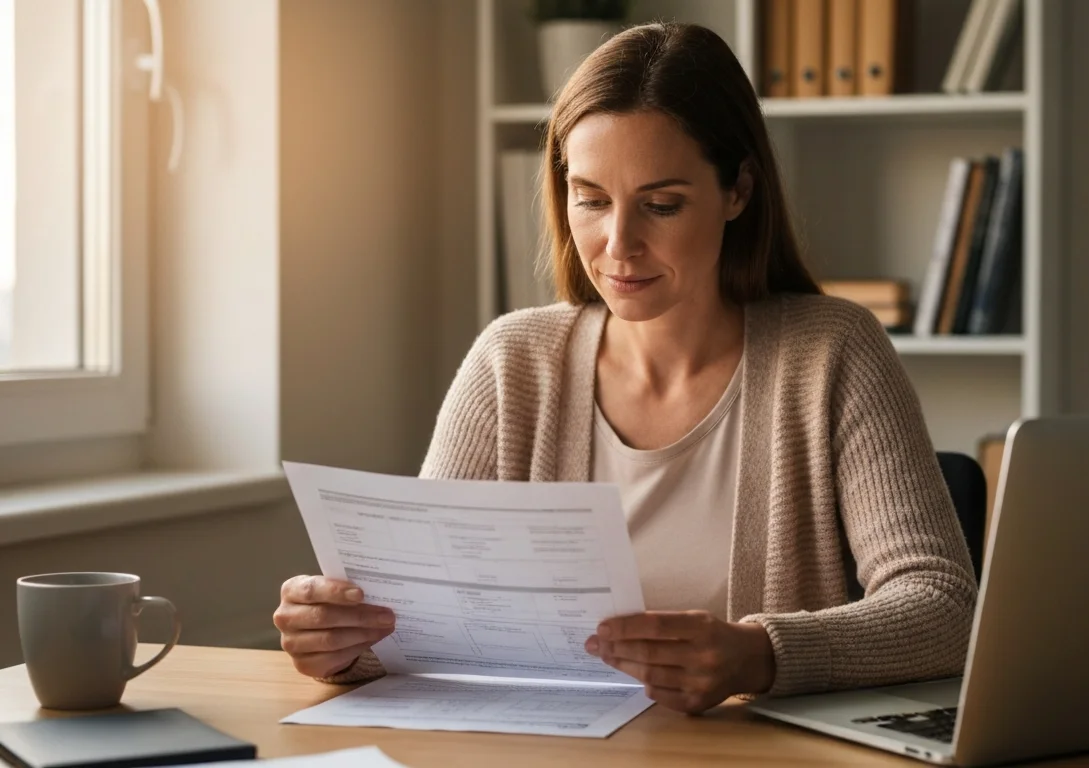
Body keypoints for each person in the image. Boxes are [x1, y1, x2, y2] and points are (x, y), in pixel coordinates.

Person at [273, 21, 976, 715]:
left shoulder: (832, 353)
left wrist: (755, 655)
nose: (618, 244)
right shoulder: (511, 363)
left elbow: (942, 609)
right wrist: (342, 645)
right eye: (591, 199)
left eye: (661, 205)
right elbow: (433, 625)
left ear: (739, 191)